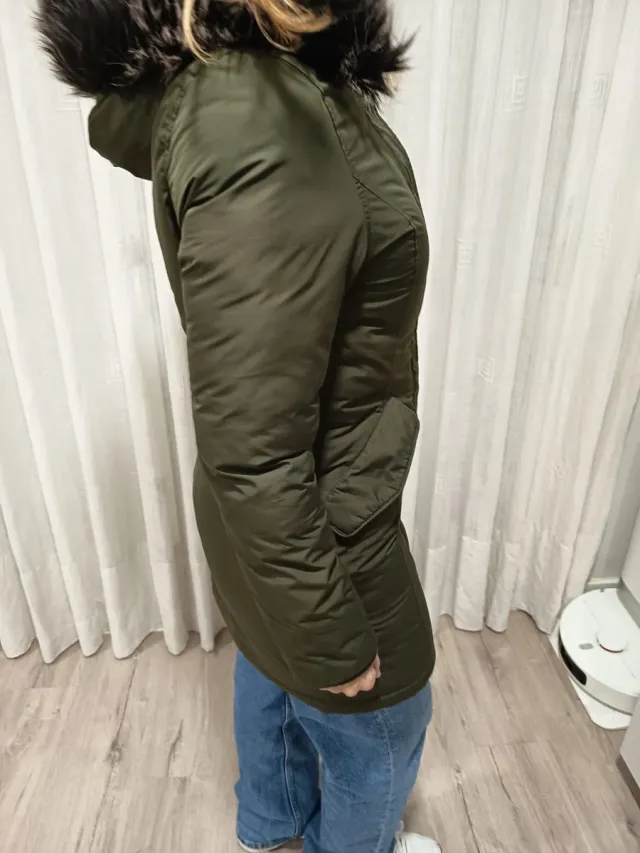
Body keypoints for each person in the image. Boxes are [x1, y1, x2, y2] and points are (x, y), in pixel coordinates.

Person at [37, 1, 438, 851]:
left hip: (283, 519)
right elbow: (256, 453)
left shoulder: (260, 93)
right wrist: (331, 634)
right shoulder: (259, 116)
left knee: (266, 651)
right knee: (387, 732)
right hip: (326, 521)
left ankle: (269, 822)